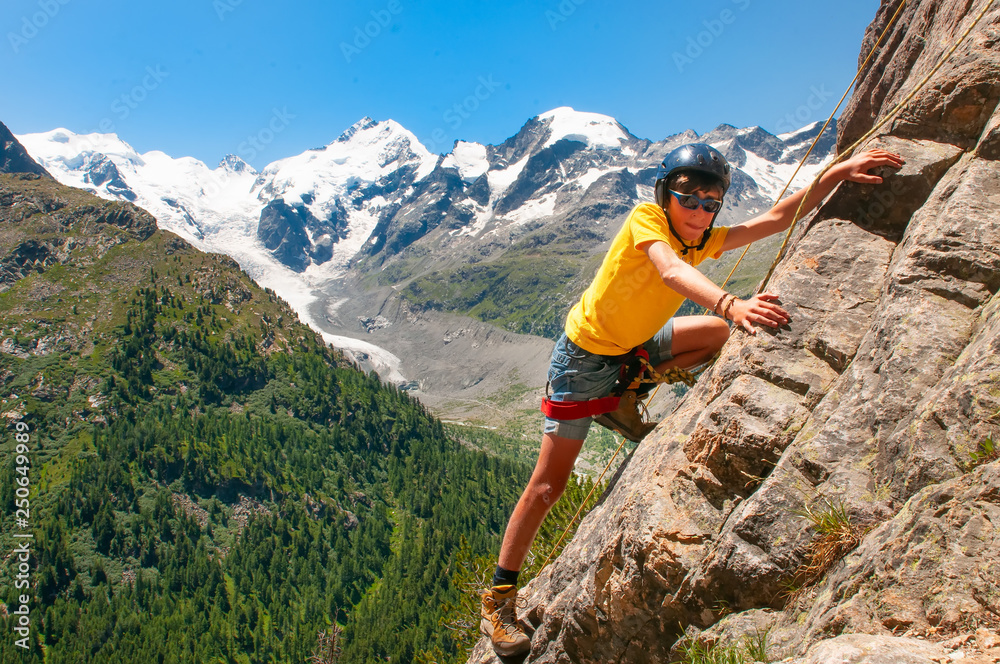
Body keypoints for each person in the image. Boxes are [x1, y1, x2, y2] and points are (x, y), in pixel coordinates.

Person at [479, 143, 904, 656]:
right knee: (548, 485)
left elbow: (772, 218)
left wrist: (837, 172)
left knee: (714, 335)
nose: (701, 211)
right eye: (690, 198)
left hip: (629, 348)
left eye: (711, 203)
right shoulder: (648, 221)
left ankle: (627, 391)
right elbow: (669, 272)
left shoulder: (700, 238)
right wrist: (732, 302)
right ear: (667, 195)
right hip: (582, 361)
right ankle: (498, 601)